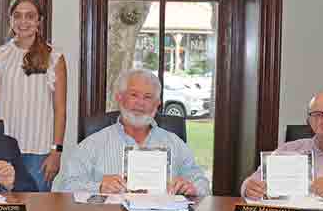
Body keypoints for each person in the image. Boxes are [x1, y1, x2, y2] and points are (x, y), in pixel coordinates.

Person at [55, 69, 210, 196]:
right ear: (120, 98)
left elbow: (202, 183)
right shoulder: (93, 144)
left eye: (148, 97)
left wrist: (191, 188)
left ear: (157, 105)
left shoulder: (174, 143)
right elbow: (66, 186)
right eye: (134, 95)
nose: (140, 103)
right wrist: (99, 187)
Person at [0, 0, 67, 192]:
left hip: (40, 153)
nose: (23, 21)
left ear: (39, 20)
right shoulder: (0, 55)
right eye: (17, 15)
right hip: (5, 149)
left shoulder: (54, 57)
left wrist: (56, 152)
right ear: (10, 19)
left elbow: (60, 110)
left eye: (30, 16)